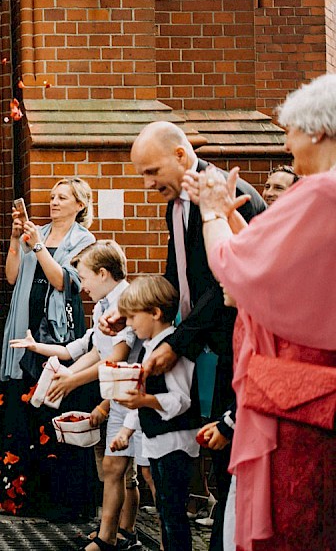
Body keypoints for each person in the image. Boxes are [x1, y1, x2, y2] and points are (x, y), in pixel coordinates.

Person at [183, 73, 336, 550]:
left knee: (295, 520)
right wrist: (233, 218)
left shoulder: (319, 192)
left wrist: (209, 212)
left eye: (289, 129)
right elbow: (280, 263)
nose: (285, 142)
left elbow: (237, 268)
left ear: (316, 130)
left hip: (297, 396)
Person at [115, 121, 265, 551]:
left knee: (226, 452)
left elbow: (225, 286)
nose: (147, 184)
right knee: (213, 455)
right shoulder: (173, 205)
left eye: (151, 172)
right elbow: (176, 278)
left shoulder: (222, 199)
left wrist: (178, 343)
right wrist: (131, 318)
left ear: (181, 156)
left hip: (235, 344)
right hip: (205, 345)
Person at [12, 240, 142, 550]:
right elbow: (90, 348)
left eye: (83, 278)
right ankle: (117, 534)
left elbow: (116, 358)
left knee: (131, 471)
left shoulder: (126, 302)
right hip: (116, 390)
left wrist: (73, 380)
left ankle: (115, 536)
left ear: (101, 273)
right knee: (117, 469)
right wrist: (43, 352)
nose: (81, 287)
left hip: (131, 393)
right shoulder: (102, 305)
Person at [0, 177, 96, 521]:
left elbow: (63, 282)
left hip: (58, 335)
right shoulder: (34, 230)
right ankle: (30, 498)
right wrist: (15, 241)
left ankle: (65, 500)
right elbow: (12, 277)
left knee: (55, 411)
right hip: (26, 327)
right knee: (27, 412)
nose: (53, 202)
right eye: (52, 197)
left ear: (80, 205)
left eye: (62, 197)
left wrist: (38, 247)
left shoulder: (85, 240)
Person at [111, 275, 200, 551]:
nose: (128, 324)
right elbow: (140, 401)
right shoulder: (148, 348)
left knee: (173, 514)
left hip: (176, 444)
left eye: (132, 317)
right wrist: (126, 431)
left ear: (155, 313)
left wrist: (147, 400)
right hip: (157, 443)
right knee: (165, 510)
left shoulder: (173, 349)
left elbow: (181, 401)